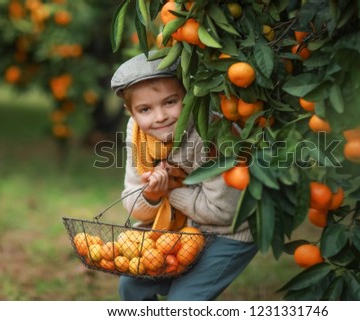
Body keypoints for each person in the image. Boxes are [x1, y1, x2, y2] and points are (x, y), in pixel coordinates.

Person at [110, 52, 257, 301]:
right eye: (145, 109)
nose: (160, 117)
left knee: (184, 302)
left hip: (228, 232)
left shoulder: (208, 132)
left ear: (188, 96)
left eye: (169, 102)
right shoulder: (137, 132)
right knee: (132, 286)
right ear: (131, 112)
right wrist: (152, 194)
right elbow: (133, 202)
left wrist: (170, 191)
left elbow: (225, 211)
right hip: (179, 230)